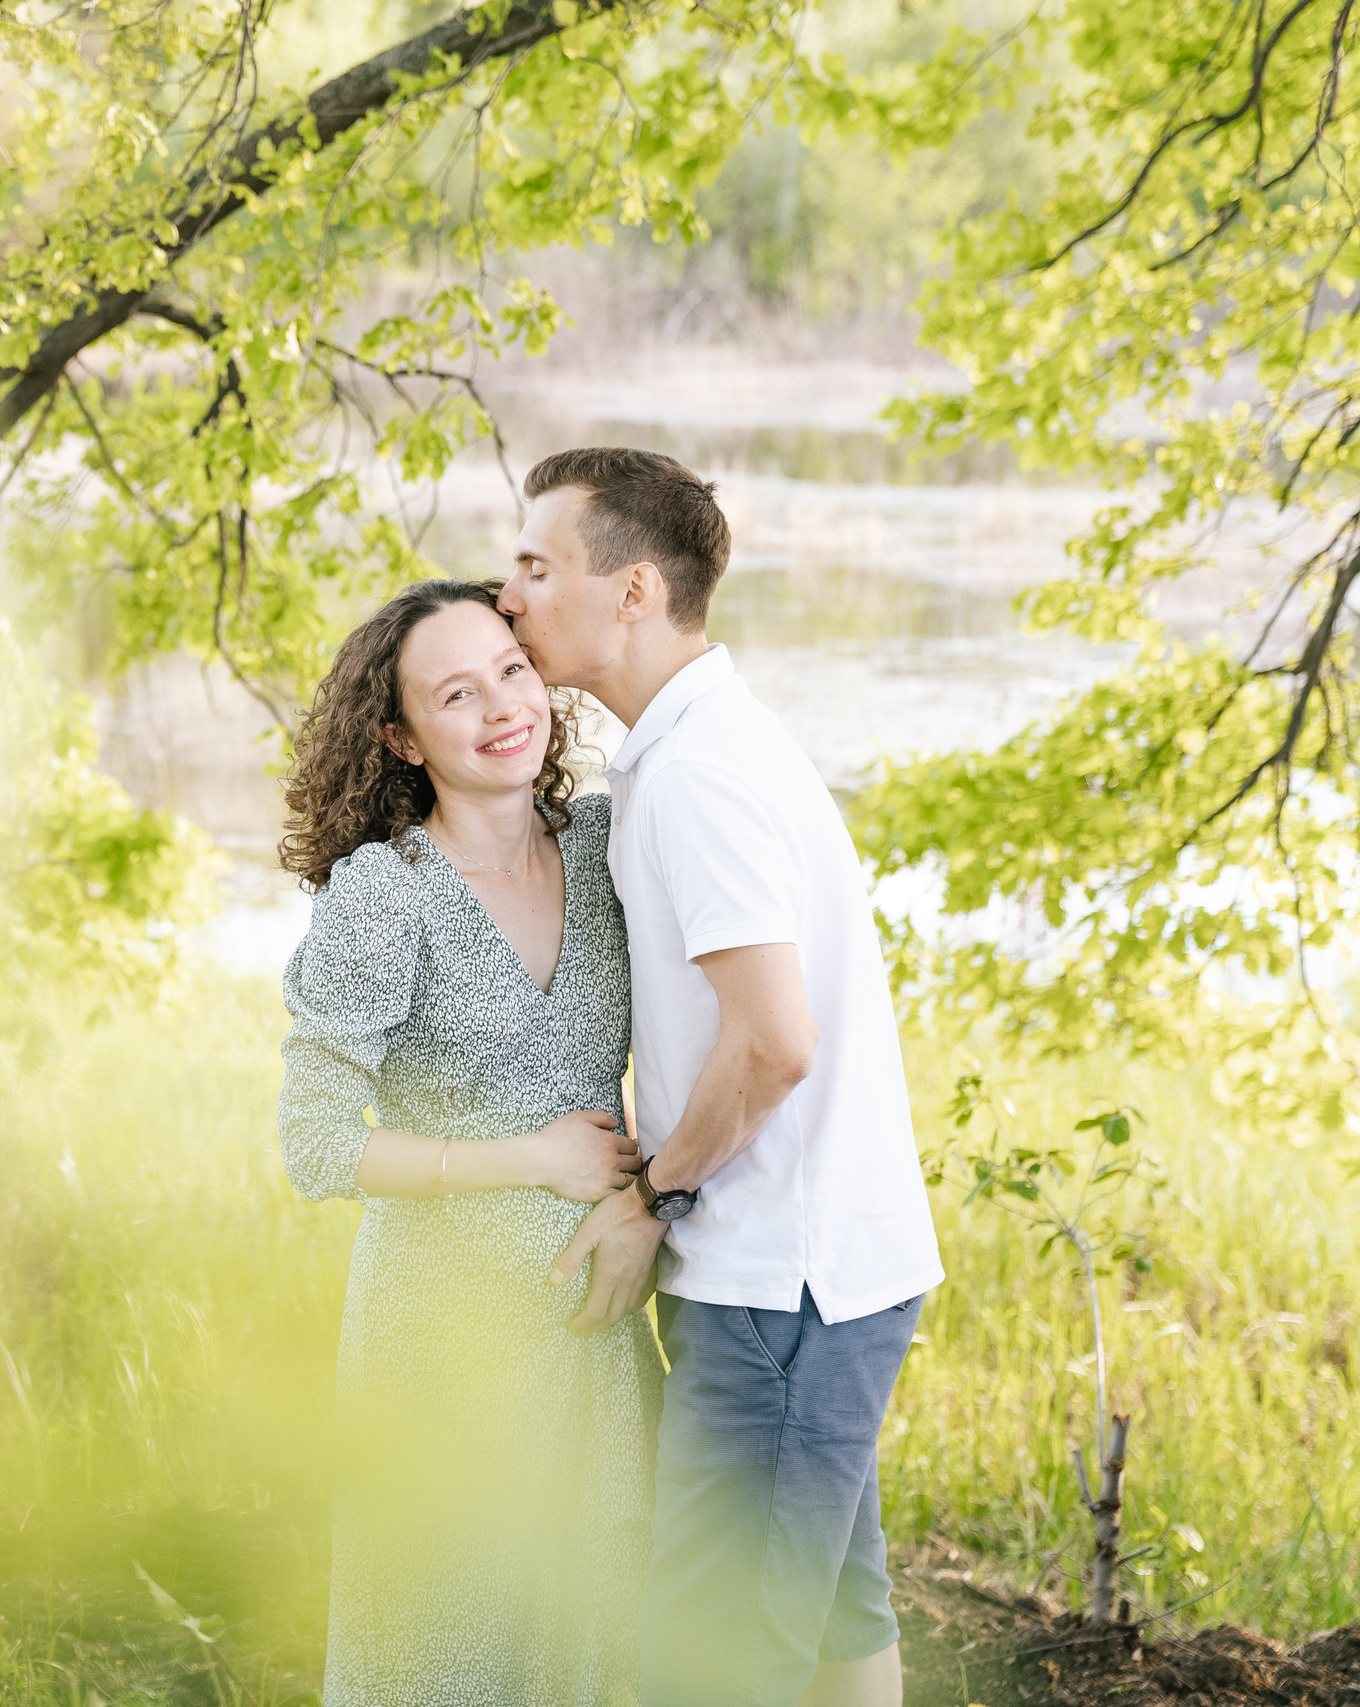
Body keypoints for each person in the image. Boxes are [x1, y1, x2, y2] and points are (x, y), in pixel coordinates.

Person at [498, 447, 945, 1707]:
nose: (508, 595)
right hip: (808, 1275)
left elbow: (773, 1044)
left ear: (634, 591)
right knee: (837, 1620)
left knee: (714, 1656)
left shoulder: (700, 774)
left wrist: (651, 1198)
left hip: (778, 1284)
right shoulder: (691, 748)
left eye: (536, 566)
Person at [276, 578, 661, 1706]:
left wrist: (643, 1198)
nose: (503, 707)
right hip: (439, 1341)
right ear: (401, 738)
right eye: (456, 694)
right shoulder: (383, 896)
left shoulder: (607, 844)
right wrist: (533, 1158)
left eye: (511, 668)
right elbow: (315, 1146)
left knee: (589, 1647)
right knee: (439, 1654)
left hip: (592, 1334)